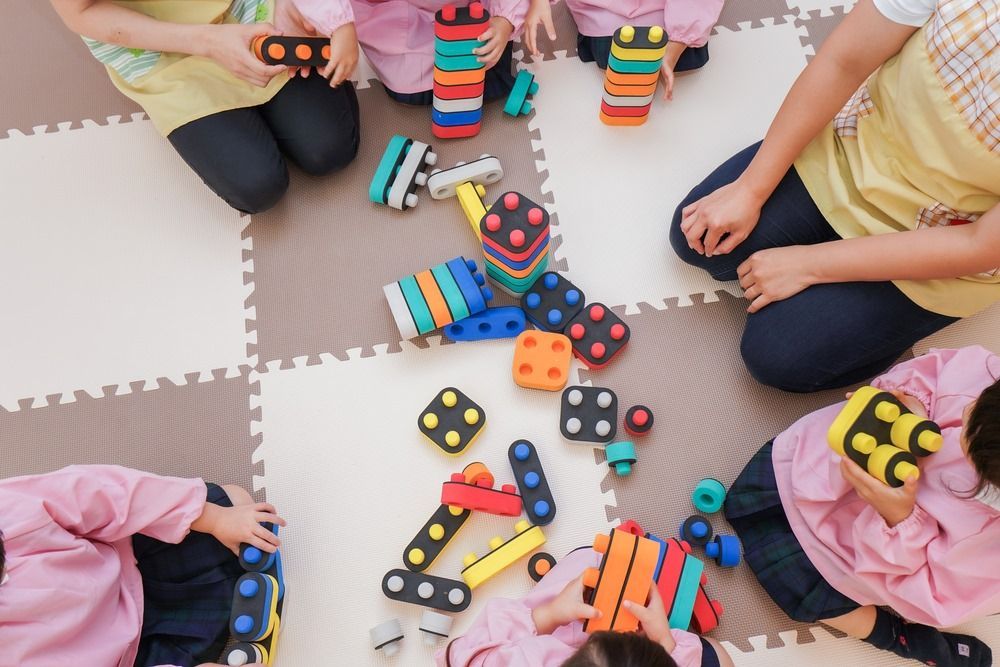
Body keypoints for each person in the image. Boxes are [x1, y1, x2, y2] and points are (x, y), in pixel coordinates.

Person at [668, 0, 1000, 392]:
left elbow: (978, 244)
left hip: (943, 238)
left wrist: (810, 264)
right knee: (693, 237)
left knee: (776, 355)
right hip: (850, 151)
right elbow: (844, 61)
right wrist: (750, 189)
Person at [726, 346, 1000, 666]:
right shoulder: (984, 379)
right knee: (755, 489)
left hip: (842, 560)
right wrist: (908, 403)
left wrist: (899, 518)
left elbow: (931, 594)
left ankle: (900, 638)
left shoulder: (988, 551)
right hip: (808, 470)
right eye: (978, 403)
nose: (966, 413)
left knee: (806, 596)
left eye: (969, 442)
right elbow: (935, 374)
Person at [49, 0, 361, 214]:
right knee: (259, 186)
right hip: (158, 48)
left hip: (250, 11)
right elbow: (82, 10)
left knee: (330, 149)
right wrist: (209, 41)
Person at [0, 464, 286, 667]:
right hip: (132, 655)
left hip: (130, 565)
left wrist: (214, 519)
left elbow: (103, 494)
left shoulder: (12, 510)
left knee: (234, 499)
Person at [436, 546, 734, 667]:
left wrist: (549, 616)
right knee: (718, 655)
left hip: (549, 636)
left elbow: (461, 657)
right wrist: (666, 643)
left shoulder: (525, 662)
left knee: (587, 564)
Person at [292, 0, 528, 105]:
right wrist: (339, 25)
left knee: (490, 53)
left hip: (467, 12)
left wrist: (504, 17)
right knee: (409, 91)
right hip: (390, 26)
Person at [523, 0, 724, 100]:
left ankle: (675, 47)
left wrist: (679, 41)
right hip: (605, 18)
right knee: (614, 55)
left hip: (666, 18)